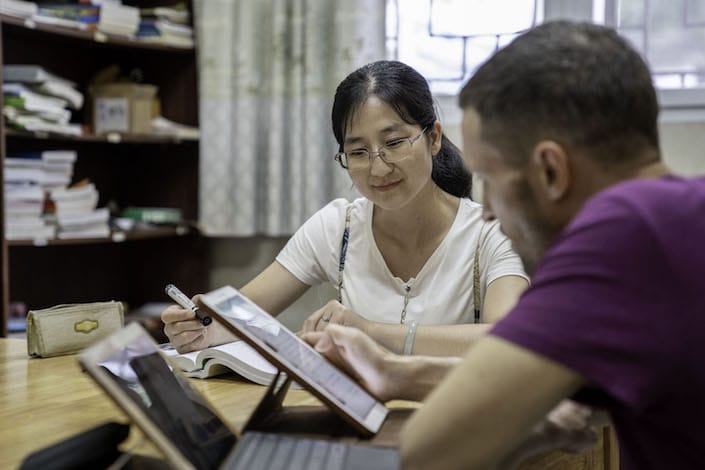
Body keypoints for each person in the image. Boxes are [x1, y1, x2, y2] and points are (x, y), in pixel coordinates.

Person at [303, 21, 705, 470]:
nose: (488, 209)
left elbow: (423, 454)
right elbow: (566, 386)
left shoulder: (621, 239)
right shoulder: (676, 222)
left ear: (551, 170)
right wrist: (396, 372)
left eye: (490, 180)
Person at [163, 60, 528, 356]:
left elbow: (509, 340)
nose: (378, 168)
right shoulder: (339, 225)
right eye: (357, 152)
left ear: (432, 138)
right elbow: (240, 313)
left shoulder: (491, 235)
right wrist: (199, 330)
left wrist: (370, 332)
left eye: (395, 142)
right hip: (359, 420)